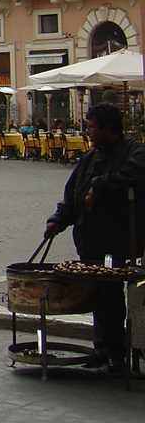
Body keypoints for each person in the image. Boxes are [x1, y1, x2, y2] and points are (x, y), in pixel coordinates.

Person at [44, 102, 145, 374]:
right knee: (98, 295)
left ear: (107, 128)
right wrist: (57, 219)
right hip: (90, 240)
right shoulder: (89, 158)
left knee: (111, 294)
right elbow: (72, 196)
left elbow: (135, 174)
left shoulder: (133, 151)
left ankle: (116, 352)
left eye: (91, 126)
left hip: (117, 239)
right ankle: (102, 348)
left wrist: (100, 185)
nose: (88, 131)